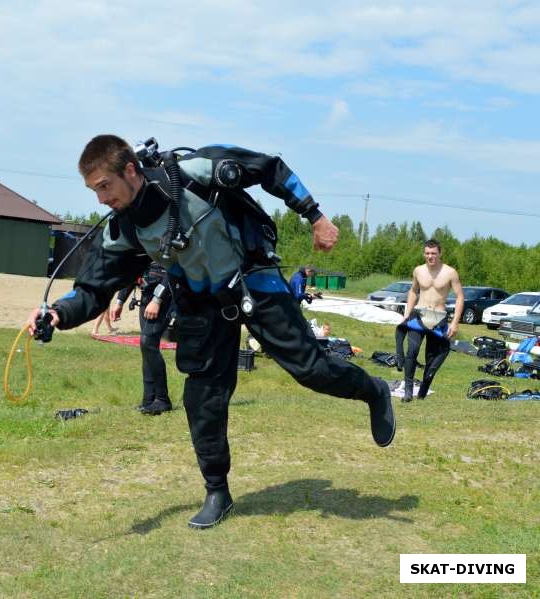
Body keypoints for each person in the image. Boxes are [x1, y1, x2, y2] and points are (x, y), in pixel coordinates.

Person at [27, 135, 395, 529]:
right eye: (94, 190)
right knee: (202, 397)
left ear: (130, 170)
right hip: (202, 304)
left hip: (253, 279)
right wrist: (58, 314)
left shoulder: (195, 173)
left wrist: (315, 216)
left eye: (105, 186)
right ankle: (217, 491)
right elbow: (92, 290)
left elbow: (270, 167)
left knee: (312, 370)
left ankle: (372, 390)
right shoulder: (123, 229)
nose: (101, 199)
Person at [395, 239, 463, 402]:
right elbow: (413, 291)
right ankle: (408, 392)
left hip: (438, 318)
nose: (430, 256)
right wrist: (407, 313)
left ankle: (423, 391)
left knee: (432, 358)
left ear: (440, 253)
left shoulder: (450, 272)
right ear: (424, 253)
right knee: (411, 351)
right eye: (427, 253)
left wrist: (455, 322)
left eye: (433, 253)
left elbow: (460, 296)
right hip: (419, 316)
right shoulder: (418, 271)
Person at [111, 261, 172, 415]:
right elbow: (134, 268)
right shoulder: (141, 240)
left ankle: (162, 399)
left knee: (148, 342)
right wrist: (120, 301)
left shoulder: (169, 239)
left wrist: (157, 299)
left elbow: (175, 269)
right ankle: (148, 400)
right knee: (147, 347)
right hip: (146, 296)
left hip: (165, 297)